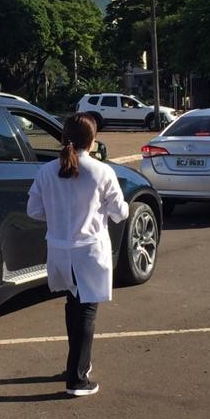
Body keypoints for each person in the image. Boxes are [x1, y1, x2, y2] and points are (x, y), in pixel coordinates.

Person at [26, 112, 129, 397]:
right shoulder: (101, 171)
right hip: (89, 252)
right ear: (92, 140)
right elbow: (120, 212)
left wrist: (57, 216)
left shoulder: (46, 171)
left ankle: (76, 365)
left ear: (63, 137)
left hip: (59, 250)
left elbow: (33, 211)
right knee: (86, 311)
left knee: (73, 305)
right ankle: (77, 378)